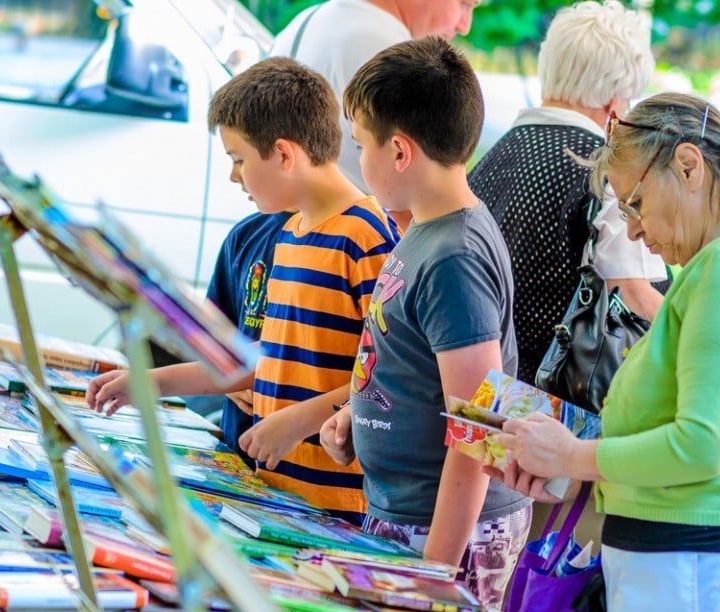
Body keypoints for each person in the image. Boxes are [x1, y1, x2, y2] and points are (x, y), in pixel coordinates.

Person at [488, 93, 720, 612]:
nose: (633, 231)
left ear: (689, 167)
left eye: (635, 204)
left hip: (706, 574)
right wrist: (566, 466)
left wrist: (575, 457)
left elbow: (703, 444)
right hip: (704, 571)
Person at [86, 57, 399, 524]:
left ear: (284, 155)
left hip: (335, 509)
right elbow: (262, 364)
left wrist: (298, 421)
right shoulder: (291, 234)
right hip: (274, 489)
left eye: (238, 160)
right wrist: (151, 383)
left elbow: (390, 380)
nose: (234, 177)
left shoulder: (368, 238)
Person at [319, 38, 531, 608]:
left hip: (445, 533)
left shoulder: (454, 255)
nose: (356, 160)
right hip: (405, 511)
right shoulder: (425, 226)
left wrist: (435, 572)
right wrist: (355, 416)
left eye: (360, 145)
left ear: (400, 152)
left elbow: (479, 427)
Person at [469, 0, 666, 387]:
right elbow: (635, 298)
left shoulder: (489, 161)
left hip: (489, 394)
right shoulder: (603, 173)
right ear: (613, 100)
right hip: (562, 407)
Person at [270, 0, 479, 202]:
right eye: (464, 3)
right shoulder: (394, 55)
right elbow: (427, 189)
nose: (465, 26)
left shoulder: (305, 22)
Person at [205, 210, 293, 464]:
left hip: (300, 454)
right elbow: (210, 332)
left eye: (240, 166)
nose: (234, 177)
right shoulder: (247, 232)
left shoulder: (348, 236)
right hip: (238, 442)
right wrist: (228, 377)